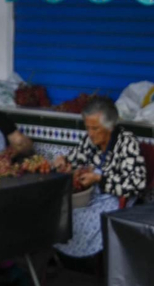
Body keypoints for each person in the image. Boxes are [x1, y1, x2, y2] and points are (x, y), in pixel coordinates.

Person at [53, 95, 147, 261]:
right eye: (87, 128)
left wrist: (99, 179)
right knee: (55, 213)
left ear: (110, 127)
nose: (90, 133)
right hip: (90, 198)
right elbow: (74, 159)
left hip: (114, 201)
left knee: (73, 219)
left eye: (95, 129)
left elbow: (137, 183)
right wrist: (64, 164)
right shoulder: (90, 141)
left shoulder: (126, 143)